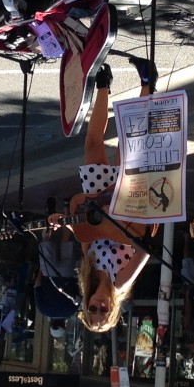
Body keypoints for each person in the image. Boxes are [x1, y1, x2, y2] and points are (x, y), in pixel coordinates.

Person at [50, 55, 158, 332]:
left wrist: (64, 222)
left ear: (85, 304)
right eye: (104, 311)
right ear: (113, 309)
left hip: (97, 205)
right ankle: (147, 82)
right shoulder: (121, 283)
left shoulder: (88, 275)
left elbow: (86, 235)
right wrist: (118, 221)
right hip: (126, 208)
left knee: (92, 143)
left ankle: (103, 84)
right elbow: (145, 251)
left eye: (92, 309)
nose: (99, 305)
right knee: (129, 142)